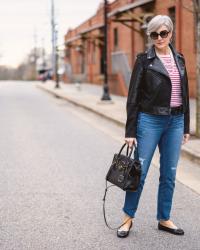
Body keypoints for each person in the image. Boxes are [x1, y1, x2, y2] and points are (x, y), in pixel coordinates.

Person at [117, 15, 190, 238]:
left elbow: (184, 94)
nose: (159, 38)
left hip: (175, 122)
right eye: (154, 34)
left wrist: (186, 126)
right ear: (150, 36)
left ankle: (164, 218)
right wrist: (130, 131)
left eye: (163, 33)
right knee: (139, 172)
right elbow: (133, 97)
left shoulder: (179, 58)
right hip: (150, 121)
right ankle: (127, 219)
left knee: (169, 174)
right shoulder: (144, 60)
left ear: (170, 33)